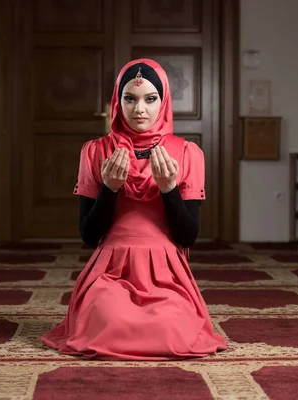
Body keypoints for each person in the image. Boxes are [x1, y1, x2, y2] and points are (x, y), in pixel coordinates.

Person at [41, 58, 228, 361]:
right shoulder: (96, 150)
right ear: (117, 101)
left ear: (164, 102)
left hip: (166, 272)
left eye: (150, 99)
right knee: (108, 317)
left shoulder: (188, 153)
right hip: (111, 271)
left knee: (170, 326)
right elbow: (89, 236)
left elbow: (188, 235)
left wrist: (169, 189)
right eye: (130, 98)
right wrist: (109, 189)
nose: (139, 109)